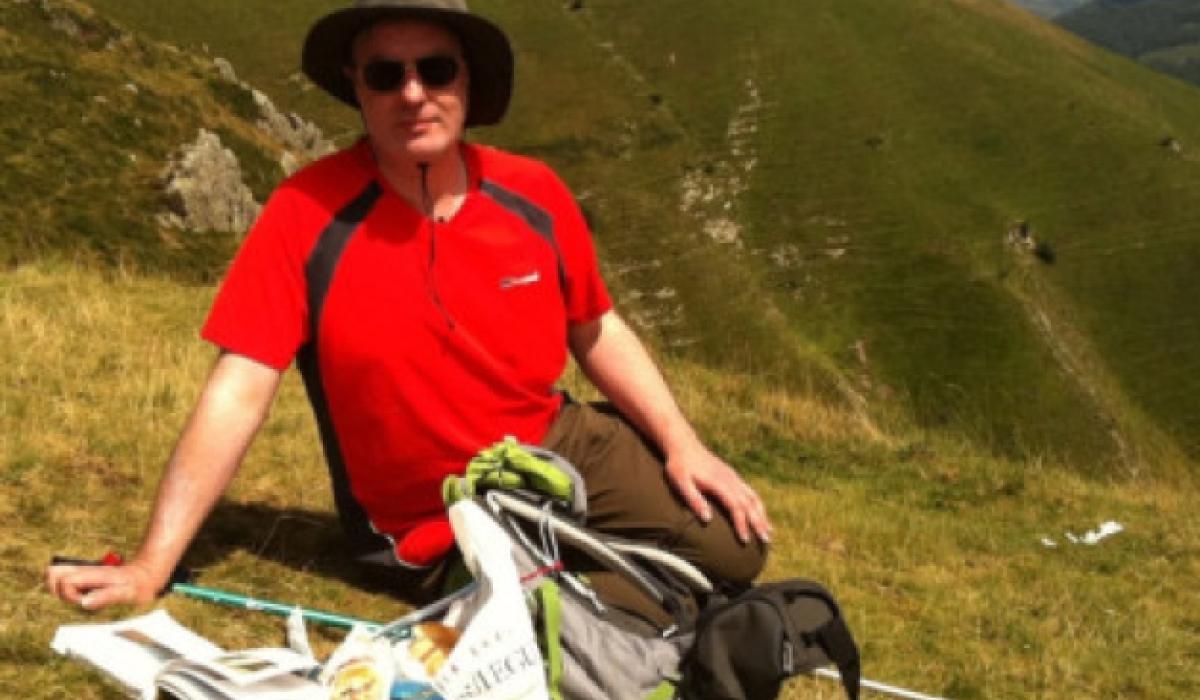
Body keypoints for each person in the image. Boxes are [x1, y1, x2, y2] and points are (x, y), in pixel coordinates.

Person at [46, 0, 771, 624]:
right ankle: (632, 605)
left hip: (552, 441)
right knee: (545, 610)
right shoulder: (305, 213)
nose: (413, 93)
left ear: (468, 83)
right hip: (435, 518)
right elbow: (239, 388)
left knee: (737, 549)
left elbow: (595, 327)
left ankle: (627, 588)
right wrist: (152, 564)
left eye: (437, 69)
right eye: (386, 75)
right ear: (356, 88)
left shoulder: (534, 192)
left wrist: (682, 445)